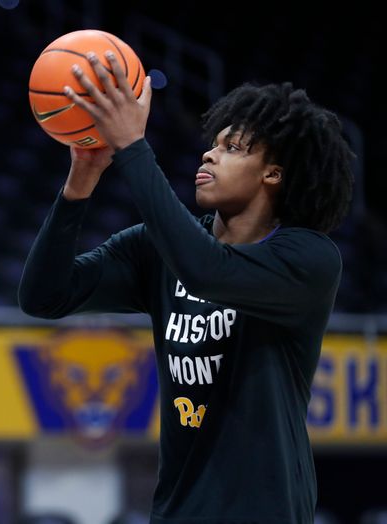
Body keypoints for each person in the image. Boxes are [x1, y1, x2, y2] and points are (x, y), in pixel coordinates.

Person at [17, 50, 354, 524]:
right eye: (212, 144)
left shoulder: (307, 259)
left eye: (233, 147)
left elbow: (208, 271)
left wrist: (134, 146)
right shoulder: (158, 251)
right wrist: (79, 184)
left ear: (272, 174)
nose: (210, 153)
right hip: (177, 511)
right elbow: (43, 297)